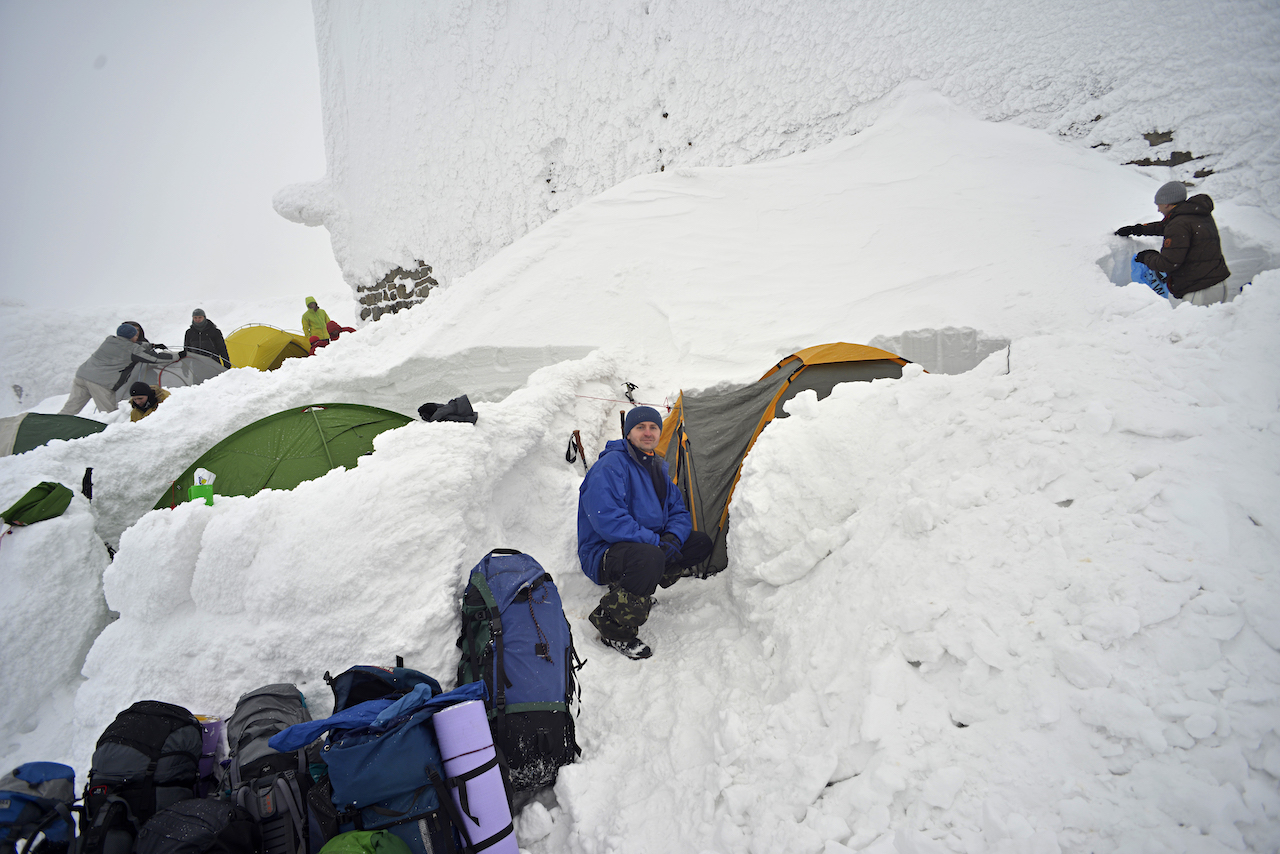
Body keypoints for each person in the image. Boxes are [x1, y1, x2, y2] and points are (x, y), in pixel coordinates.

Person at [577, 406, 714, 659]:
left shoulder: (657, 466)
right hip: (602, 552)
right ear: (628, 434)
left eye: (653, 427)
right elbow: (607, 519)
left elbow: (679, 512)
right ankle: (613, 629)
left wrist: (672, 539)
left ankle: (635, 590)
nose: (648, 432)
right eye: (640, 427)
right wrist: (655, 543)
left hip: (645, 546)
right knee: (649, 557)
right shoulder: (611, 466)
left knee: (699, 543)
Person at [1115, 181, 1231, 306]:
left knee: (1194, 325)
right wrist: (1137, 229)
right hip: (1219, 285)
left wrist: (1147, 257)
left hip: (1200, 291)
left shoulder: (1179, 223)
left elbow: (1168, 263)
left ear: (1167, 204)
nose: (1158, 209)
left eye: (1158, 205)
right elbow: (1164, 227)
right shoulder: (1197, 215)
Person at [59, 324, 175, 415]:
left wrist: (152, 345)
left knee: (71, 407)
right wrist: (178, 355)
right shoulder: (131, 348)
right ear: (131, 336)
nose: (136, 337)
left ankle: (56, 426)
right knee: (109, 413)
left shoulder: (109, 340)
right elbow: (154, 358)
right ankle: (110, 435)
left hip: (82, 376)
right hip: (100, 382)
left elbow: (132, 345)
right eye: (135, 335)